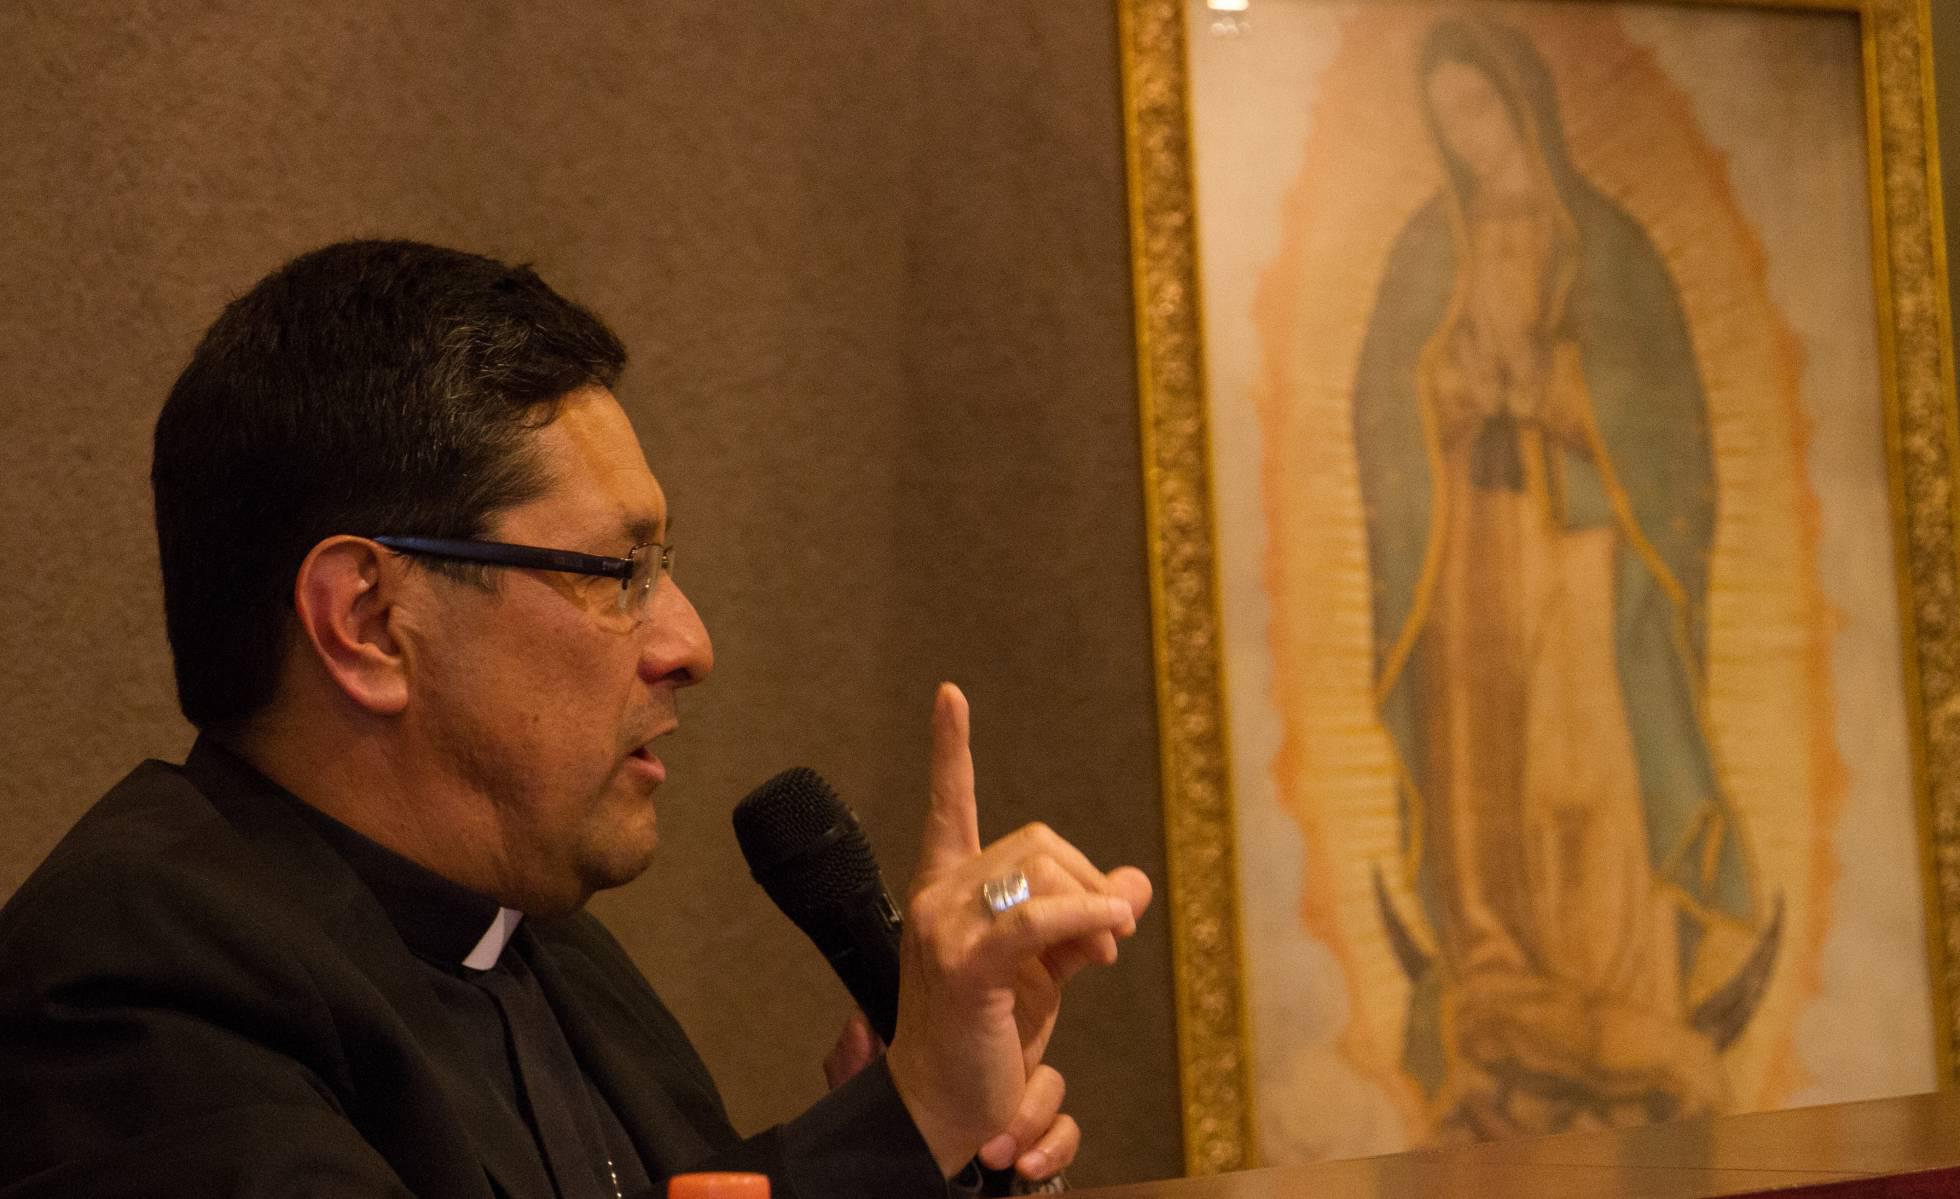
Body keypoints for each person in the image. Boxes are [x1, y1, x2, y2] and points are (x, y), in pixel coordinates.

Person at [0, 239, 1152, 1197]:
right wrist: (898, 1128)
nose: (689, 643)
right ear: (368, 619)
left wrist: (936, 1144)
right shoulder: (130, 979)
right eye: (618, 570)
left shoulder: (549, 948)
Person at [1349, 17, 1764, 1140]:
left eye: (1478, 108)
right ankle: (1502, 995)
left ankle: (1618, 1005)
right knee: (1483, 776)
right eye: (1446, 118)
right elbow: (1384, 408)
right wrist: (1446, 388)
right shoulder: (1426, 251)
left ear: (1522, 100)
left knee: (1584, 776)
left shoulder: (1608, 248)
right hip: (1467, 553)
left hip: (1581, 556)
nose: (1466, 136)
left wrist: (1551, 387)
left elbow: (1666, 428)